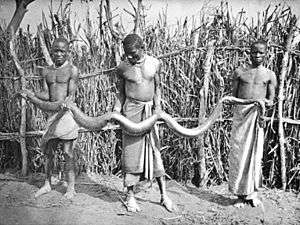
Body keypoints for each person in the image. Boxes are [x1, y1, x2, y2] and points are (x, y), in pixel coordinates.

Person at [113, 33, 176, 212]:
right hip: (131, 113)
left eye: (133, 53)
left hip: (150, 114)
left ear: (143, 47)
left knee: (155, 152)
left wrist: (157, 108)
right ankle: (130, 196)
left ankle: (164, 195)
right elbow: (121, 93)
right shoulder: (122, 68)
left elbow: (158, 89)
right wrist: (116, 111)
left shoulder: (155, 63)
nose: (130, 57)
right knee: (131, 154)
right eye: (127, 54)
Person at [21, 37, 79, 199]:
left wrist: (63, 106)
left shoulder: (72, 70)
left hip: (67, 115)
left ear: (68, 52)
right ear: (51, 51)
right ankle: (47, 184)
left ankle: (71, 187)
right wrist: (31, 95)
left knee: (68, 153)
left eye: (62, 51)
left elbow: (71, 97)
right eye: (56, 51)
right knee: (49, 152)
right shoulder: (46, 71)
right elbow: (46, 94)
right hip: (52, 116)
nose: (59, 54)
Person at [229, 40, 277, 208]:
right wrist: (246, 103)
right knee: (238, 155)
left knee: (255, 156)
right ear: (249, 53)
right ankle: (239, 195)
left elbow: (271, 100)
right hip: (241, 116)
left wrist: (262, 104)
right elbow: (233, 97)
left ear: (266, 54)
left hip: (257, 117)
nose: (257, 55)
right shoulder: (240, 73)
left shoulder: (269, 75)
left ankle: (252, 194)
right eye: (254, 52)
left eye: (261, 53)